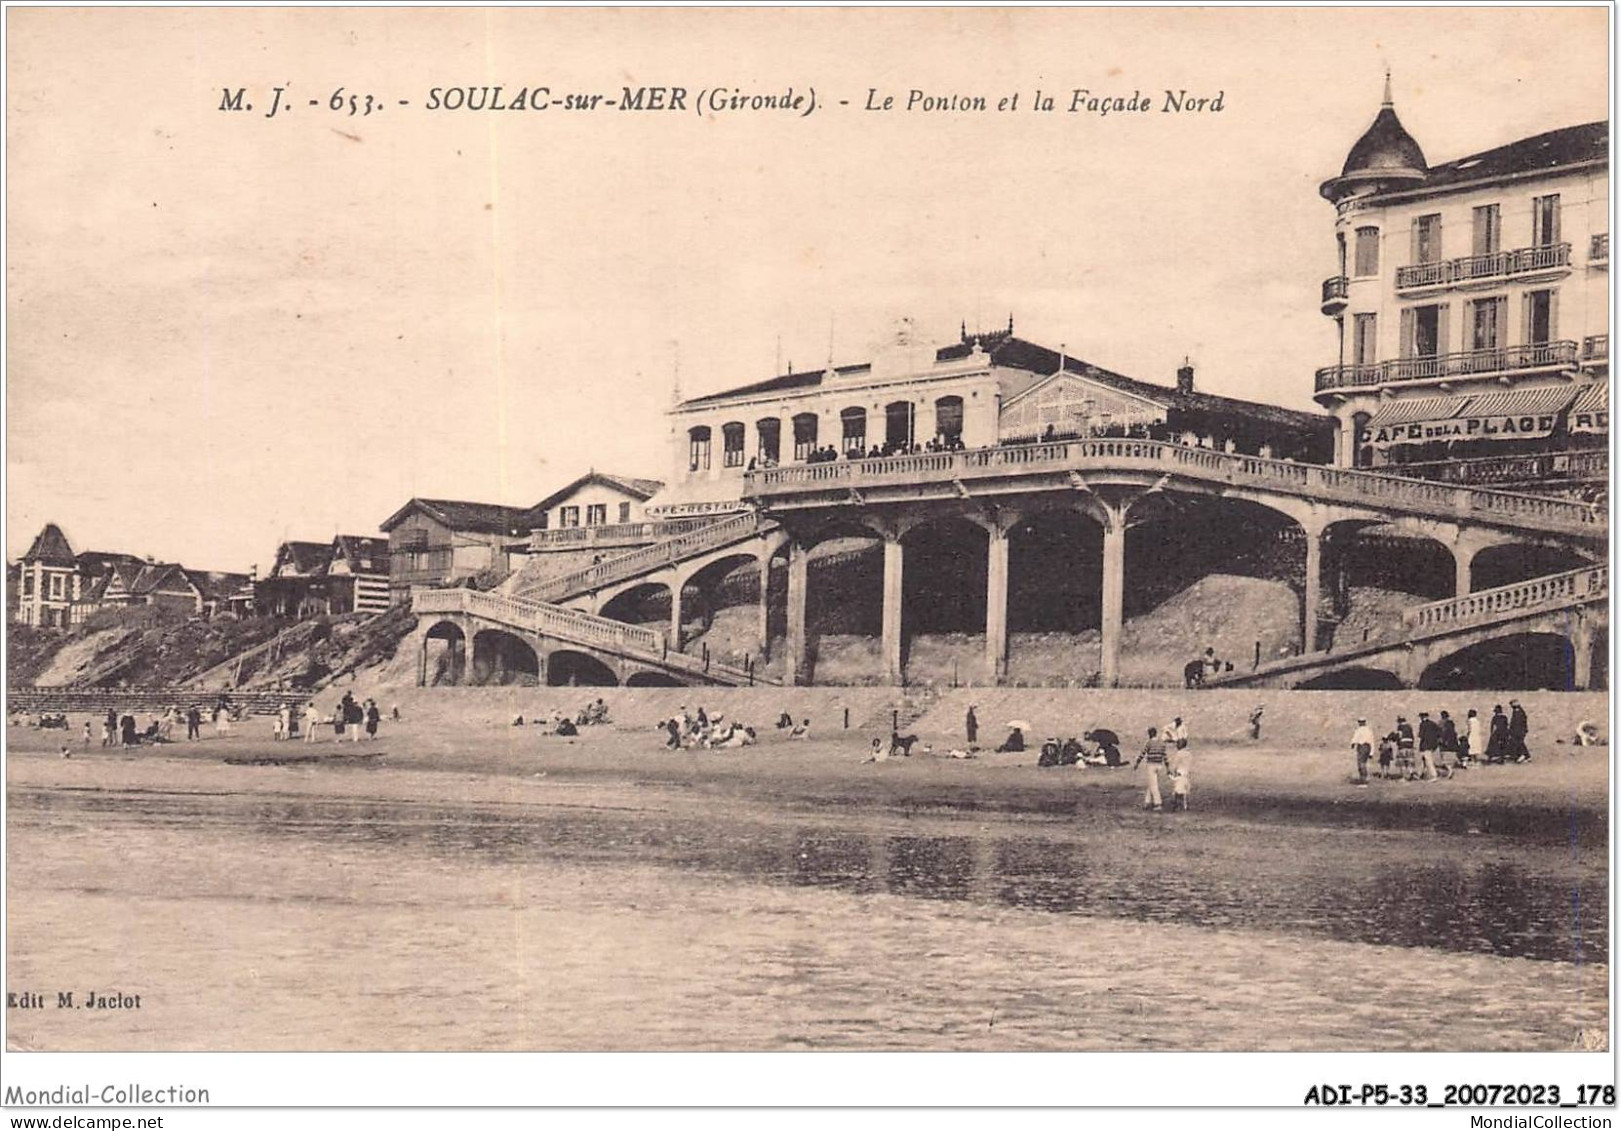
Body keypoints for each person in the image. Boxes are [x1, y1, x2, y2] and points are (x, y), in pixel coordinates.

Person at [1134, 726, 1168, 810]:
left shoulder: (1149, 743)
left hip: (1151, 765)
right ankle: (1147, 802)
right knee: (1151, 783)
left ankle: (1158, 803)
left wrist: (1137, 763)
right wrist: (1168, 768)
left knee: (1153, 785)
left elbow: (1142, 754)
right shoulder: (1162, 743)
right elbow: (1165, 757)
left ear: (1150, 734)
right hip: (1159, 765)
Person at [1416, 712, 1441, 780]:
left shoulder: (1422, 724)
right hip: (1431, 745)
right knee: (1423, 761)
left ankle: (1434, 775)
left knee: (1428, 761)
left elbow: (1421, 735)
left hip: (1424, 745)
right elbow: (1439, 732)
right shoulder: (1433, 724)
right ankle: (1419, 774)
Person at [1350, 717, 1376, 784]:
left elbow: (1355, 737)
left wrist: (1353, 743)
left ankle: (1363, 779)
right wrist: (1371, 753)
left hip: (1362, 747)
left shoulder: (1359, 730)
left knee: (1361, 763)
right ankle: (1365, 778)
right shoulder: (1369, 730)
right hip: (1368, 747)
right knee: (1364, 763)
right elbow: (1372, 741)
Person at [1167, 743, 1192, 810]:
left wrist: (1171, 771)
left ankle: (1176, 805)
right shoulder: (1189, 754)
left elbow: (1175, 764)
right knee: (1184, 791)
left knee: (1177, 791)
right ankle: (1184, 805)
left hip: (1180, 773)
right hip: (1186, 774)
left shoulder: (1179, 754)